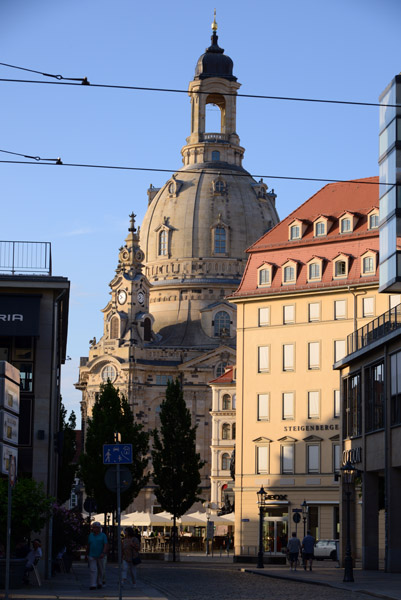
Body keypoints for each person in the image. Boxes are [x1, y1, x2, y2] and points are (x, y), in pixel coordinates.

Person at [86, 521, 108, 590]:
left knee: (101, 570)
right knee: (93, 570)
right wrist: (87, 554)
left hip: (101, 555)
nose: (95, 529)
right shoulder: (90, 535)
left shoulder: (103, 535)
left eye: (96, 528)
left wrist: (103, 553)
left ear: (99, 528)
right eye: (94, 527)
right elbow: (88, 545)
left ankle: (99, 582)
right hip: (92, 555)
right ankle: (93, 584)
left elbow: (106, 545)